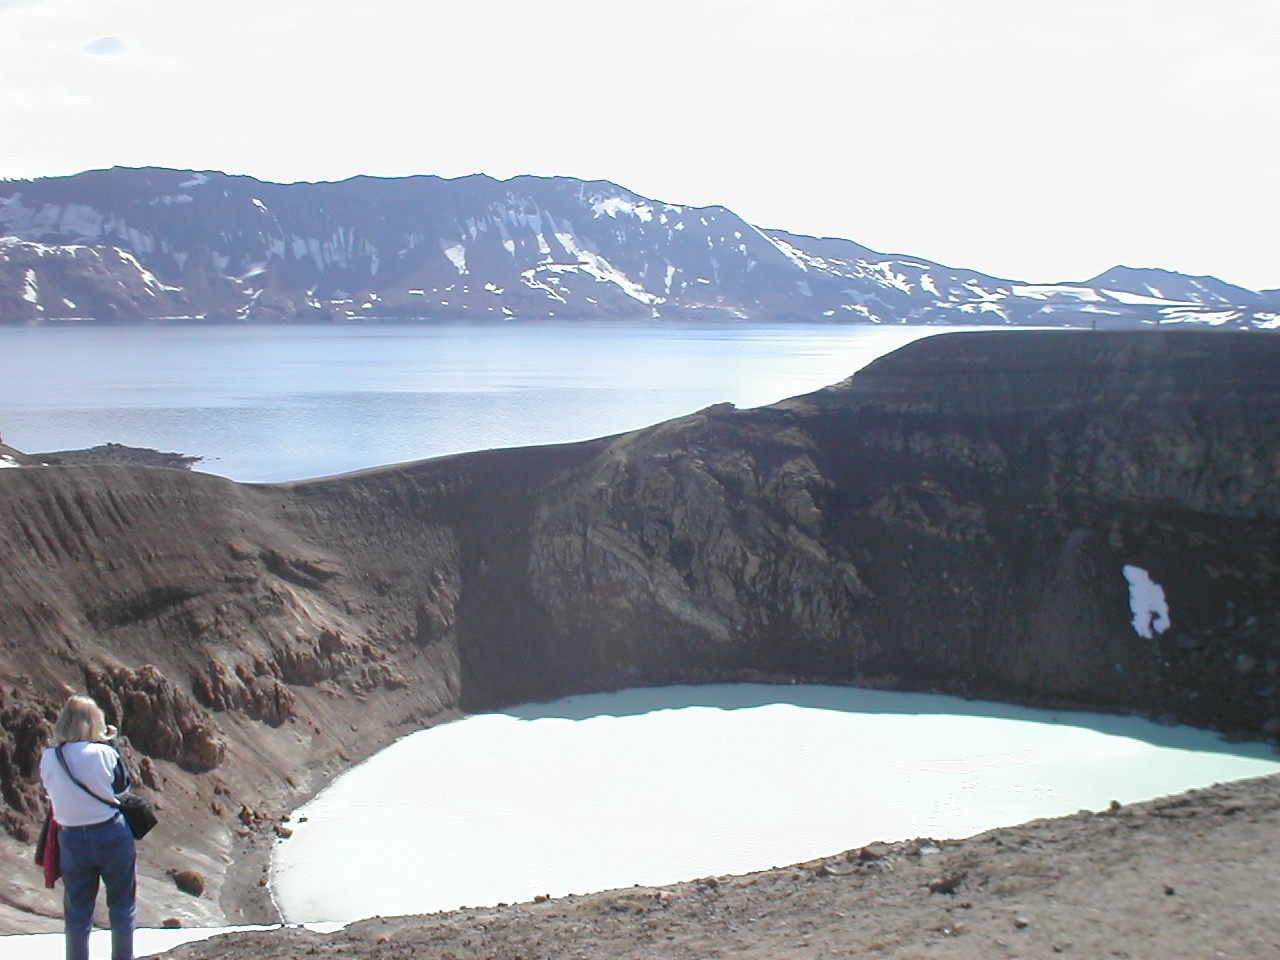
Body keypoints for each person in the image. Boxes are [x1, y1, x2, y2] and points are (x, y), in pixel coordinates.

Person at [40, 695, 136, 960]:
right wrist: (111, 744)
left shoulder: (49, 757)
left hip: (71, 840)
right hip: (111, 834)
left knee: (78, 912)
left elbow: (51, 792)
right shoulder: (105, 753)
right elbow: (122, 789)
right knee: (121, 906)